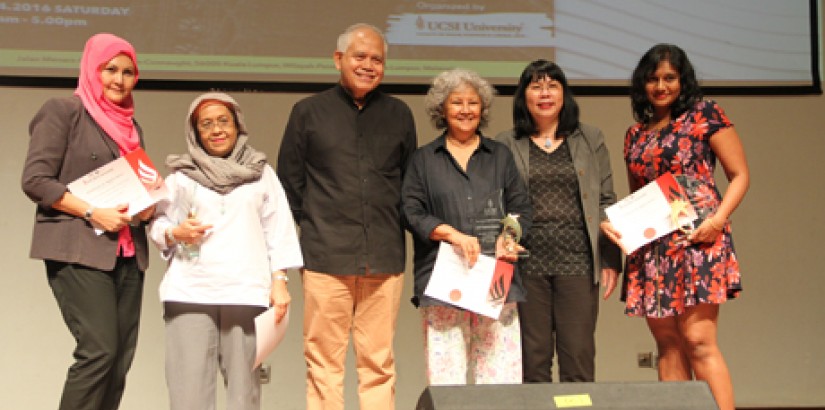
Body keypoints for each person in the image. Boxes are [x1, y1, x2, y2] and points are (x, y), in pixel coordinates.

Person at [276, 23, 417, 410]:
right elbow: (290, 185)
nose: (369, 65)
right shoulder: (307, 112)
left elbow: (408, 187)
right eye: (360, 56)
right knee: (324, 363)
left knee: (379, 364)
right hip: (325, 258)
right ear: (338, 59)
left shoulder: (400, 114)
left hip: (384, 259)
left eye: (377, 59)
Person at [602, 44, 749, 410]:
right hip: (653, 249)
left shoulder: (705, 115)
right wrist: (617, 226)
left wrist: (717, 221)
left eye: (669, 77)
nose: (661, 86)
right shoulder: (635, 134)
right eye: (653, 79)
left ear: (683, 81)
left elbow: (740, 175)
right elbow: (638, 195)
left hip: (700, 239)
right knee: (667, 343)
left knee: (699, 340)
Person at [21, 33, 153, 410]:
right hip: (79, 249)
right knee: (99, 351)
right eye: (110, 69)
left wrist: (147, 207)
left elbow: (132, 186)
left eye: (128, 72)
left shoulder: (132, 127)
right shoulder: (64, 111)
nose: (119, 79)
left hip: (128, 254)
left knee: (118, 361)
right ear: (92, 70)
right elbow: (35, 180)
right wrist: (93, 212)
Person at [149, 92, 303, 410]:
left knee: (245, 395)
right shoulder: (180, 176)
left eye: (223, 121)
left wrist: (280, 282)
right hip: (190, 293)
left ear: (237, 126)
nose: (216, 130)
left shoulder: (262, 174)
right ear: (195, 132)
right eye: (206, 124)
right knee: (187, 395)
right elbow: (157, 222)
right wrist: (175, 232)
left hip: (246, 294)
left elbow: (279, 230)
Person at [402, 68, 532, 385]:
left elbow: (520, 206)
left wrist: (510, 236)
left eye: (472, 102)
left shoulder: (499, 155)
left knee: (501, 378)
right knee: (447, 381)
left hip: (496, 280)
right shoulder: (424, 159)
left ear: (482, 109)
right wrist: (451, 234)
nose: (465, 110)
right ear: (442, 110)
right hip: (444, 281)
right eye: (456, 102)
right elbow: (410, 210)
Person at [495, 59, 622, 383]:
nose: (544, 93)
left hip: (578, 262)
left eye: (552, 85)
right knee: (532, 360)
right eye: (536, 86)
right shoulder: (507, 142)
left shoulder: (590, 138)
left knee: (577, 357)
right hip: (526, 264)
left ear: (565, 94)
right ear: (524, 96)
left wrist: (610, 257)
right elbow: (499, 203)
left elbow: (606, 200)